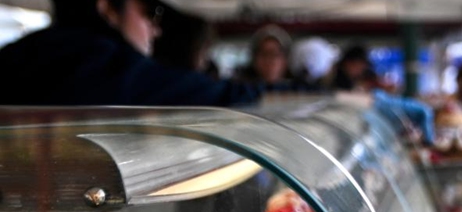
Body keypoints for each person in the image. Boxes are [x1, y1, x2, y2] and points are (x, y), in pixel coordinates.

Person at [0, 0, 265, 106]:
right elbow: (223, 96)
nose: (155, 29)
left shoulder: (22, 52)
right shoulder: (102, 60)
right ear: (107, 9)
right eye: (150, 12)